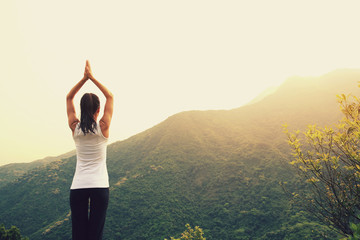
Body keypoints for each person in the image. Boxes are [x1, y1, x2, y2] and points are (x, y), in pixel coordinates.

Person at [66, 60, 114, 240]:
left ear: (80, 108)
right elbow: (110, 96)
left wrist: (83, 79)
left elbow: (68, 98)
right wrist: (92, 78)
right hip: (100, 186)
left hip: (78, 186)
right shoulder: (103, 127)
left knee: (79, 234)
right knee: (95, 234)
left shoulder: (75, 127)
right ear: (98, 109)